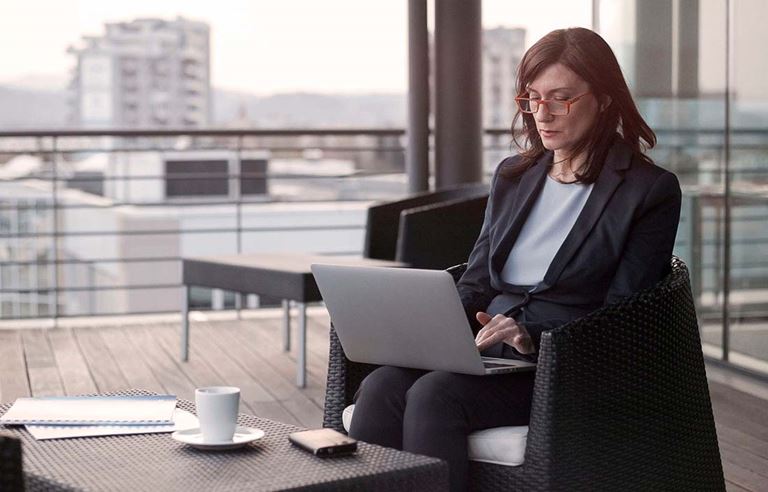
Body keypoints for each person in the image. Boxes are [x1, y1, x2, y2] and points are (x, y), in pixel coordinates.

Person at [348, 27, 682, 491]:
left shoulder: (648, 191)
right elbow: (479, 278)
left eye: (561, 99)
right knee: (382, 386)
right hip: (487, 352)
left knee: (434, 396)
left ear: (604, 100)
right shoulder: (514, 175)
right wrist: (425, 328)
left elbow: (624, 315)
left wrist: (533, 337)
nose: (543, 115)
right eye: (532, 98)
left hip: (565, 366)